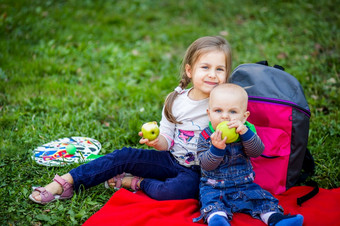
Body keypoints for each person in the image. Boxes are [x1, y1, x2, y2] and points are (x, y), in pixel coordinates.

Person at [29, 36, 232, 204]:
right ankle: (65, 183)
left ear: (227, 73)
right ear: (190, 70)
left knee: (176, 192)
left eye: (219, 69)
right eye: (205, 67)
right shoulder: (176, 100)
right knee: (123, 156)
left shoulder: (227, 102)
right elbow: (167, 140)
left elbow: (243, 135)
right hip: (172, 160)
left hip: (202, 172)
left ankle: (135, 182)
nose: (212, 75)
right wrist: (156, 141)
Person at [194, 84, 304, 226]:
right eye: (218, 110)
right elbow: (206, 165)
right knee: (211, 203)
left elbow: (257, 152)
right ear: (209, 113)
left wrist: (246, 134)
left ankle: (276, 219)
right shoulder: (206, 136)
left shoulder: (246, 132)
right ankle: (218, 220)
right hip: (214, 187)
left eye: (233, 112)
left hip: (244, 185)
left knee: (263, 199)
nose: (225, 116)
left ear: (244, 116)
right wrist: (216, 149)